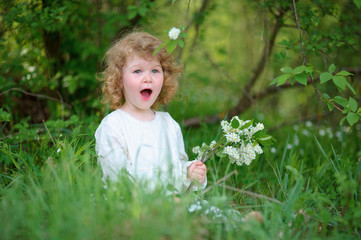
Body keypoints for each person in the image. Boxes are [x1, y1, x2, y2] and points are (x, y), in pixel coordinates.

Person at [95, 31, 207, 193]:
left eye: (155, 71)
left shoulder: (169, 124)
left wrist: (190, 173)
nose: (148, 78)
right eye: (138, 71)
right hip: (131, 208)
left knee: (214, 214)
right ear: (119, 80)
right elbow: (119, 179)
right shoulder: (113, 126)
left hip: (171, 204)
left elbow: (178, 176)